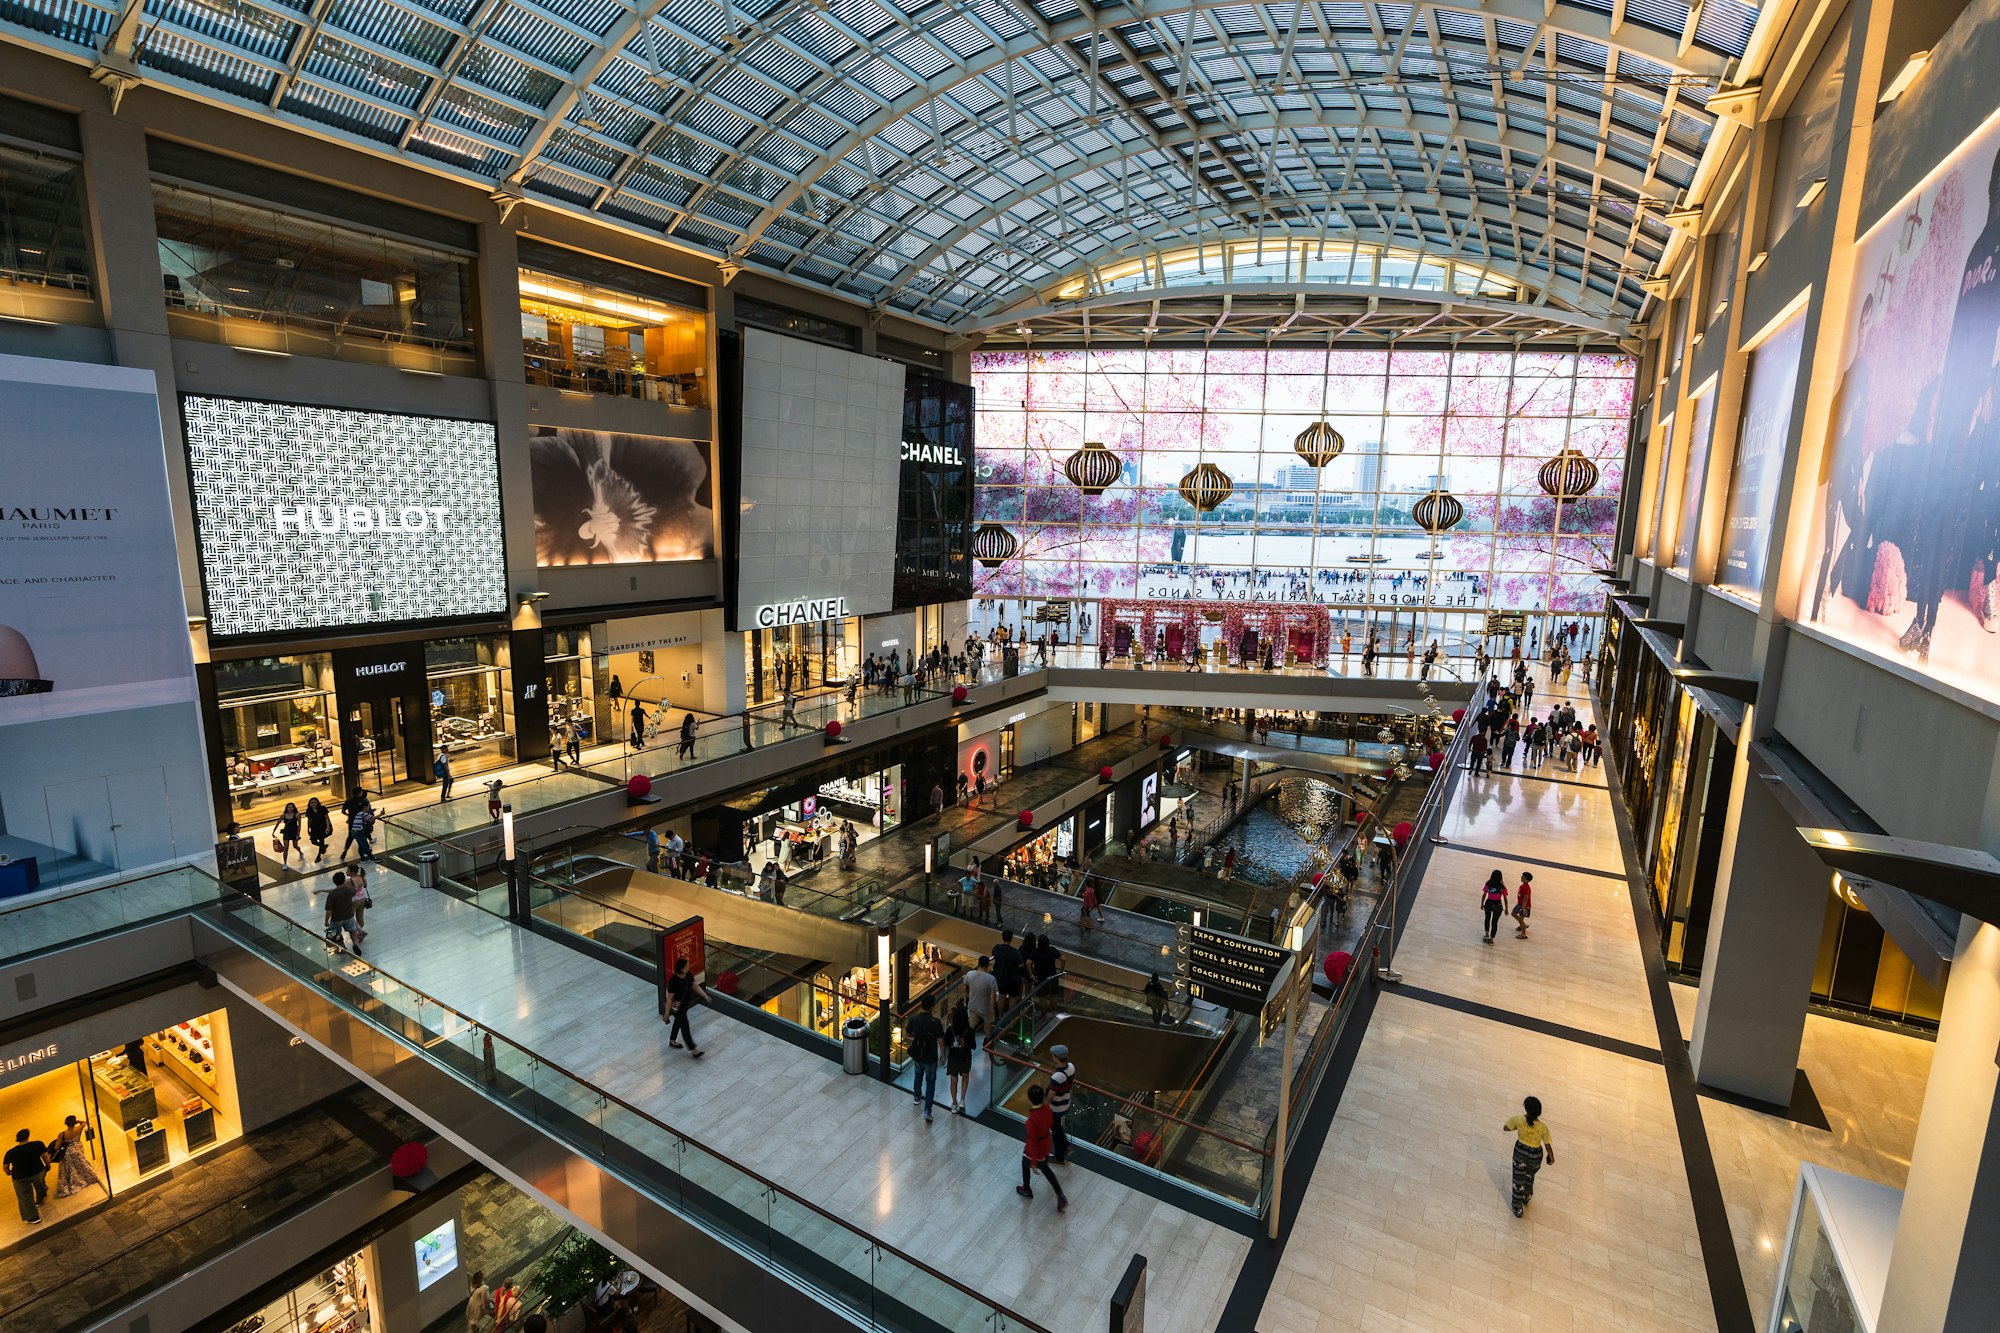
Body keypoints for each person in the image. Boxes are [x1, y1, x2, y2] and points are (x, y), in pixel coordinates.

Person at [1015, 1085, 1067, 1211]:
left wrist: (1033, 1162)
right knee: (1046, 1169)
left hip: (1035, 1150)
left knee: (1025, 1163)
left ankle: (1026, 1189)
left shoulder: (1031, 1120)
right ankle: (1060, 1195)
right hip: (1046, 1145)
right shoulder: (1047, 1109)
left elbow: (1032, 1141)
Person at [1502, 1096, 1555, 1217]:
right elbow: (1548, 1146)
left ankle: (1517, 1207)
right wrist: (1551, 1158)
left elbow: (1505, 1128)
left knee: (1518, 1180)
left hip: (1520, 1153)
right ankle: (1527, 1195)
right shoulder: (1543, 1127)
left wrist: (1517, 1127)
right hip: (1535, 1156)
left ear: (1526, 1109)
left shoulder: (1518, 1119)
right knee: (1529, 1176)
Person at [905, 994, 945, 1122]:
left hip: (918, 1054)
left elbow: (908, 1033)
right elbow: (940, 1040)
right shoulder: (936, 1022)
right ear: (933, 1006)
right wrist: (943, 1055)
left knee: (918, 1074)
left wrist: (916, 1038)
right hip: (931, 1056)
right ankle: (927, 1110)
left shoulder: (914, 1019)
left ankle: (917, 1096)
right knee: (931, 1082)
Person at [666, 957, 708, 1057]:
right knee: (685, 1026)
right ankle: (694, 1050)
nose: (689, 966)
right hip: (677, 1008)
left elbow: (695, 986)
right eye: (687, 965)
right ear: (681, 968)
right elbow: (670, 998)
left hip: (684, 1005)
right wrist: (666, 1014)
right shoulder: (674, 981)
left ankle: (672, 1040)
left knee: (678, 1022)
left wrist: (704, 995)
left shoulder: (688, 974)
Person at [6, 1127, 48, 1223]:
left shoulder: (11, 1152)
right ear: (28, 1136)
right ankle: (40, 1199)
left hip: (19, 1176)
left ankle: (33, 1217)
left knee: (25, 1196)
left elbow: (5, 1166)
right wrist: (47, 1165)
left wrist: (8, 1172)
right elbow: (45, 1156)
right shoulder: (38, 1144)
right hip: (37, 1171)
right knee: (40, 1186)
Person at [51, 1115, 99, 1198]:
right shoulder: (79, 1129)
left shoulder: (62, 1134)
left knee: (69, 1169)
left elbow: (56, 1147)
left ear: (66, 1123)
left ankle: (72, 1183)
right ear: (74, 1122)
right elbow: (84, 1122)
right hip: (78, 1149)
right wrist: (78, 1121)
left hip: (67, 1153)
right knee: (81, 1165)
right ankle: (86, 1178)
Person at [1046, 1043, 1076, 1165]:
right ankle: (1066, 1146)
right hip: (1065, 1102)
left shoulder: (1057, 1076)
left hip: (1056, 1107)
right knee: (1058, 1128)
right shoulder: (1071, 1067)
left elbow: (1051, 1095)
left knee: (1056, 1131)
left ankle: (1059, 1157)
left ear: (1056, 1057)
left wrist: (1044, 1106)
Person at [944, 1003, 975, 1114]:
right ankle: (962, 1099)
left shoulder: (950, 1029)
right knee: (965, 1077)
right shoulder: (970, 1030)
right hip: (965, 1057)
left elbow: (946, 1042)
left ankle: (954, 1103)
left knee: (953, 1081)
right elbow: (974, 1046)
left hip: (953, 1058)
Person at [325, 871, 362, 952]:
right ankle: (356, 943)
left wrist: (326, 921)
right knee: (352, 931)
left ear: (334, 882)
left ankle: (342, 947)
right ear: (344, 880)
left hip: (336, 918)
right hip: (349, 915)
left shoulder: (332, 894)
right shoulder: (350, 890)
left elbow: (329, 910)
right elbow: (355, 891)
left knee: (337, 933)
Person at [965, 955, 999, 1043]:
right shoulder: (991, 979)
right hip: (985, 1007)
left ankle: (969, 1040)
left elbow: (966, 985)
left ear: (978, 963)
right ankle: (987, 1039)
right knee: (987, 1023)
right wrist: (992, 1008)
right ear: (987, 966)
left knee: (971, 1024)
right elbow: (993, 996)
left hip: (972, 1005)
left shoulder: (970, 974)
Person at [1480, 869, 1508, 944]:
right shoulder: (1502, 887)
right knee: (1495, 922)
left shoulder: (1488, 884)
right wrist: (1506, 908)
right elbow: (1505, 898)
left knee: (1487, 918)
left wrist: (1482, 903)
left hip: (1489, 903)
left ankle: (1486, 934)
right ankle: (1492, 939)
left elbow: (1484, 895)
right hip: (1498, 904)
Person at [272, 801, 303, 867]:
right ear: (286, 808)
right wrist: (273, 831)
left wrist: (298, 834)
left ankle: (300, 853)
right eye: (289, 807)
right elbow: (278, 823)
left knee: (295, 846)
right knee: (286, 848)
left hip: (294, 831)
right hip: (286, 832)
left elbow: (299, 825)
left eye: (292, 807)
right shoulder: (283, 815)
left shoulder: (297, 815)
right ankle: (285, 863)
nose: (290, 808)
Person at [304, 797, 334, 863]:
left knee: (321, 841)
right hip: (314, 827)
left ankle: (318, 856)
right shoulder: (309, 810)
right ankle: (323, 847)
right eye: (312, 803)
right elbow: (309, 820)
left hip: (322, 827)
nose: (313, 804)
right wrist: (308, 829)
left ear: (318, 803)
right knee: (313, 841)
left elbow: (327, 818)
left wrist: (328, 827)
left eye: (314, 802)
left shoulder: (322, 809)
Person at [1513, 872, 1533, 937]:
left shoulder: (1526, 887)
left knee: (1521, 919)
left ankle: (1523, 934)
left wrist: (1523, 908)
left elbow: (1526, 898)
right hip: (1520, 904)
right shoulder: (1523, 885)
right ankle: (1523, 925)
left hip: (1524, 906)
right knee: (1513, 914)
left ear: (1528, 880)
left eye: (1523, 878)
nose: (1521, 878)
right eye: (1522, 876)